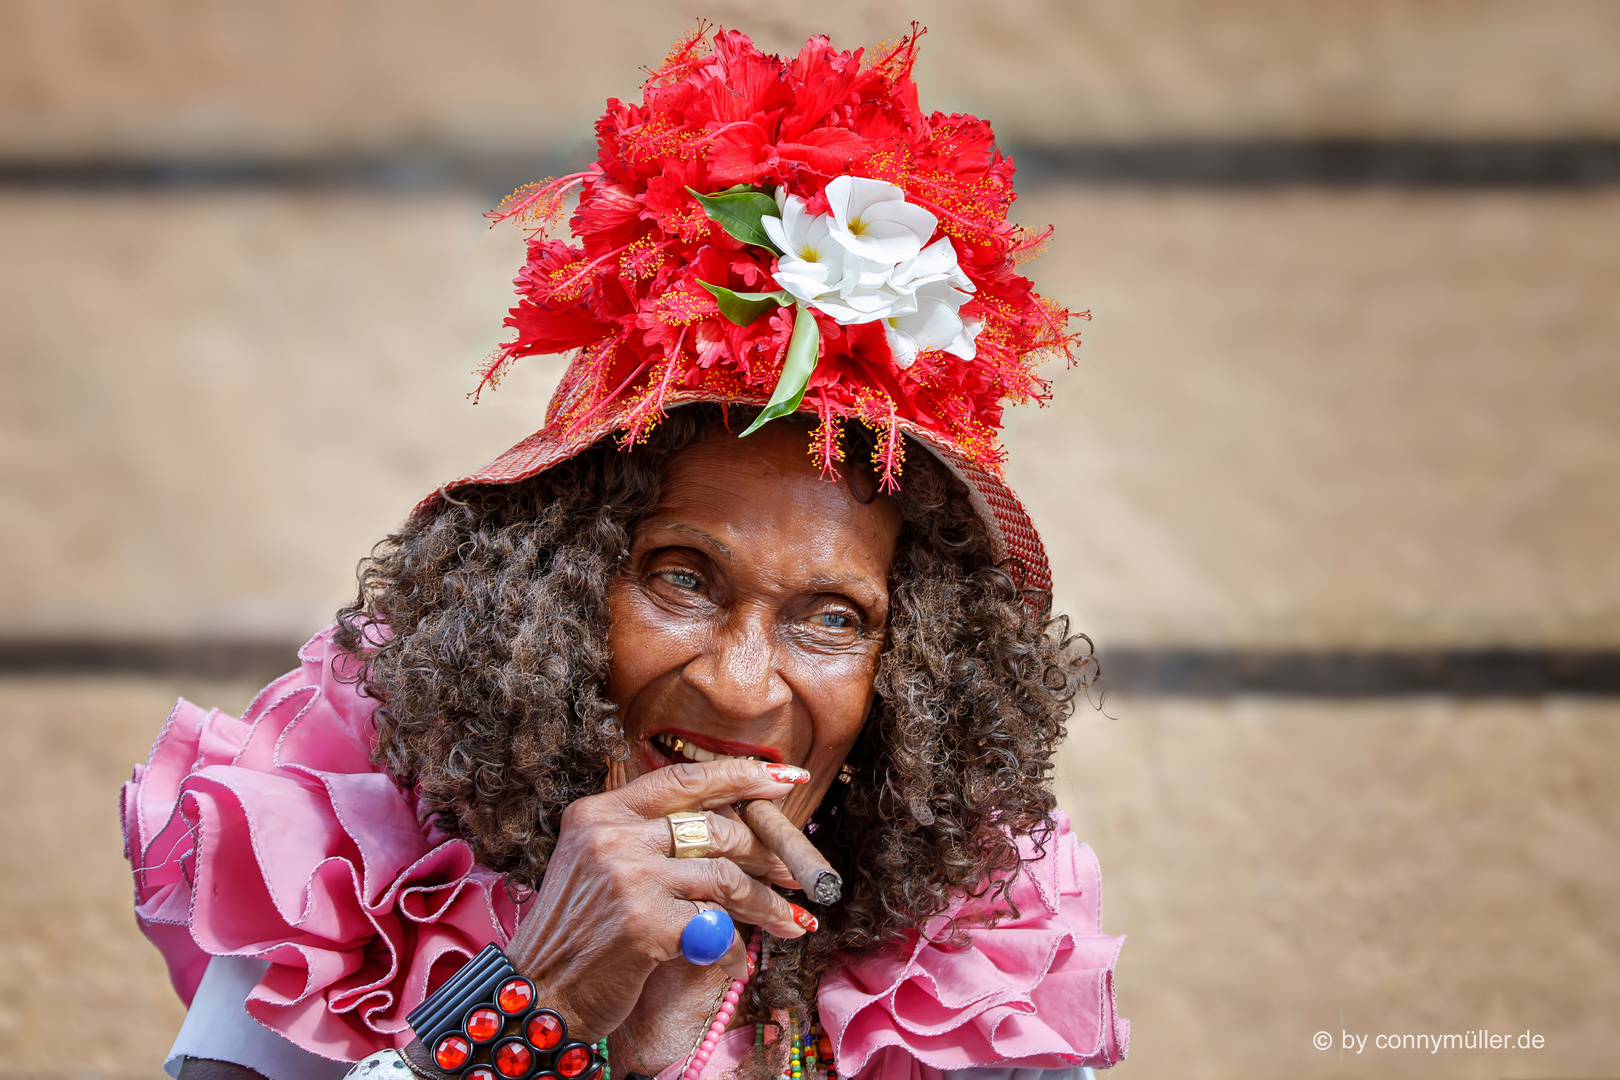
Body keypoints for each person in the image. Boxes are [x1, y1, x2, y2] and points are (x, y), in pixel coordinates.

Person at [121, 26, 1128, 1080]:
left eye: (835, 618)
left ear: (909, 677)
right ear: (547, 593)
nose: (742, 693)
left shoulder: (977, 938)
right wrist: (532, 1001)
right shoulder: (351, 845)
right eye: (683, 579)